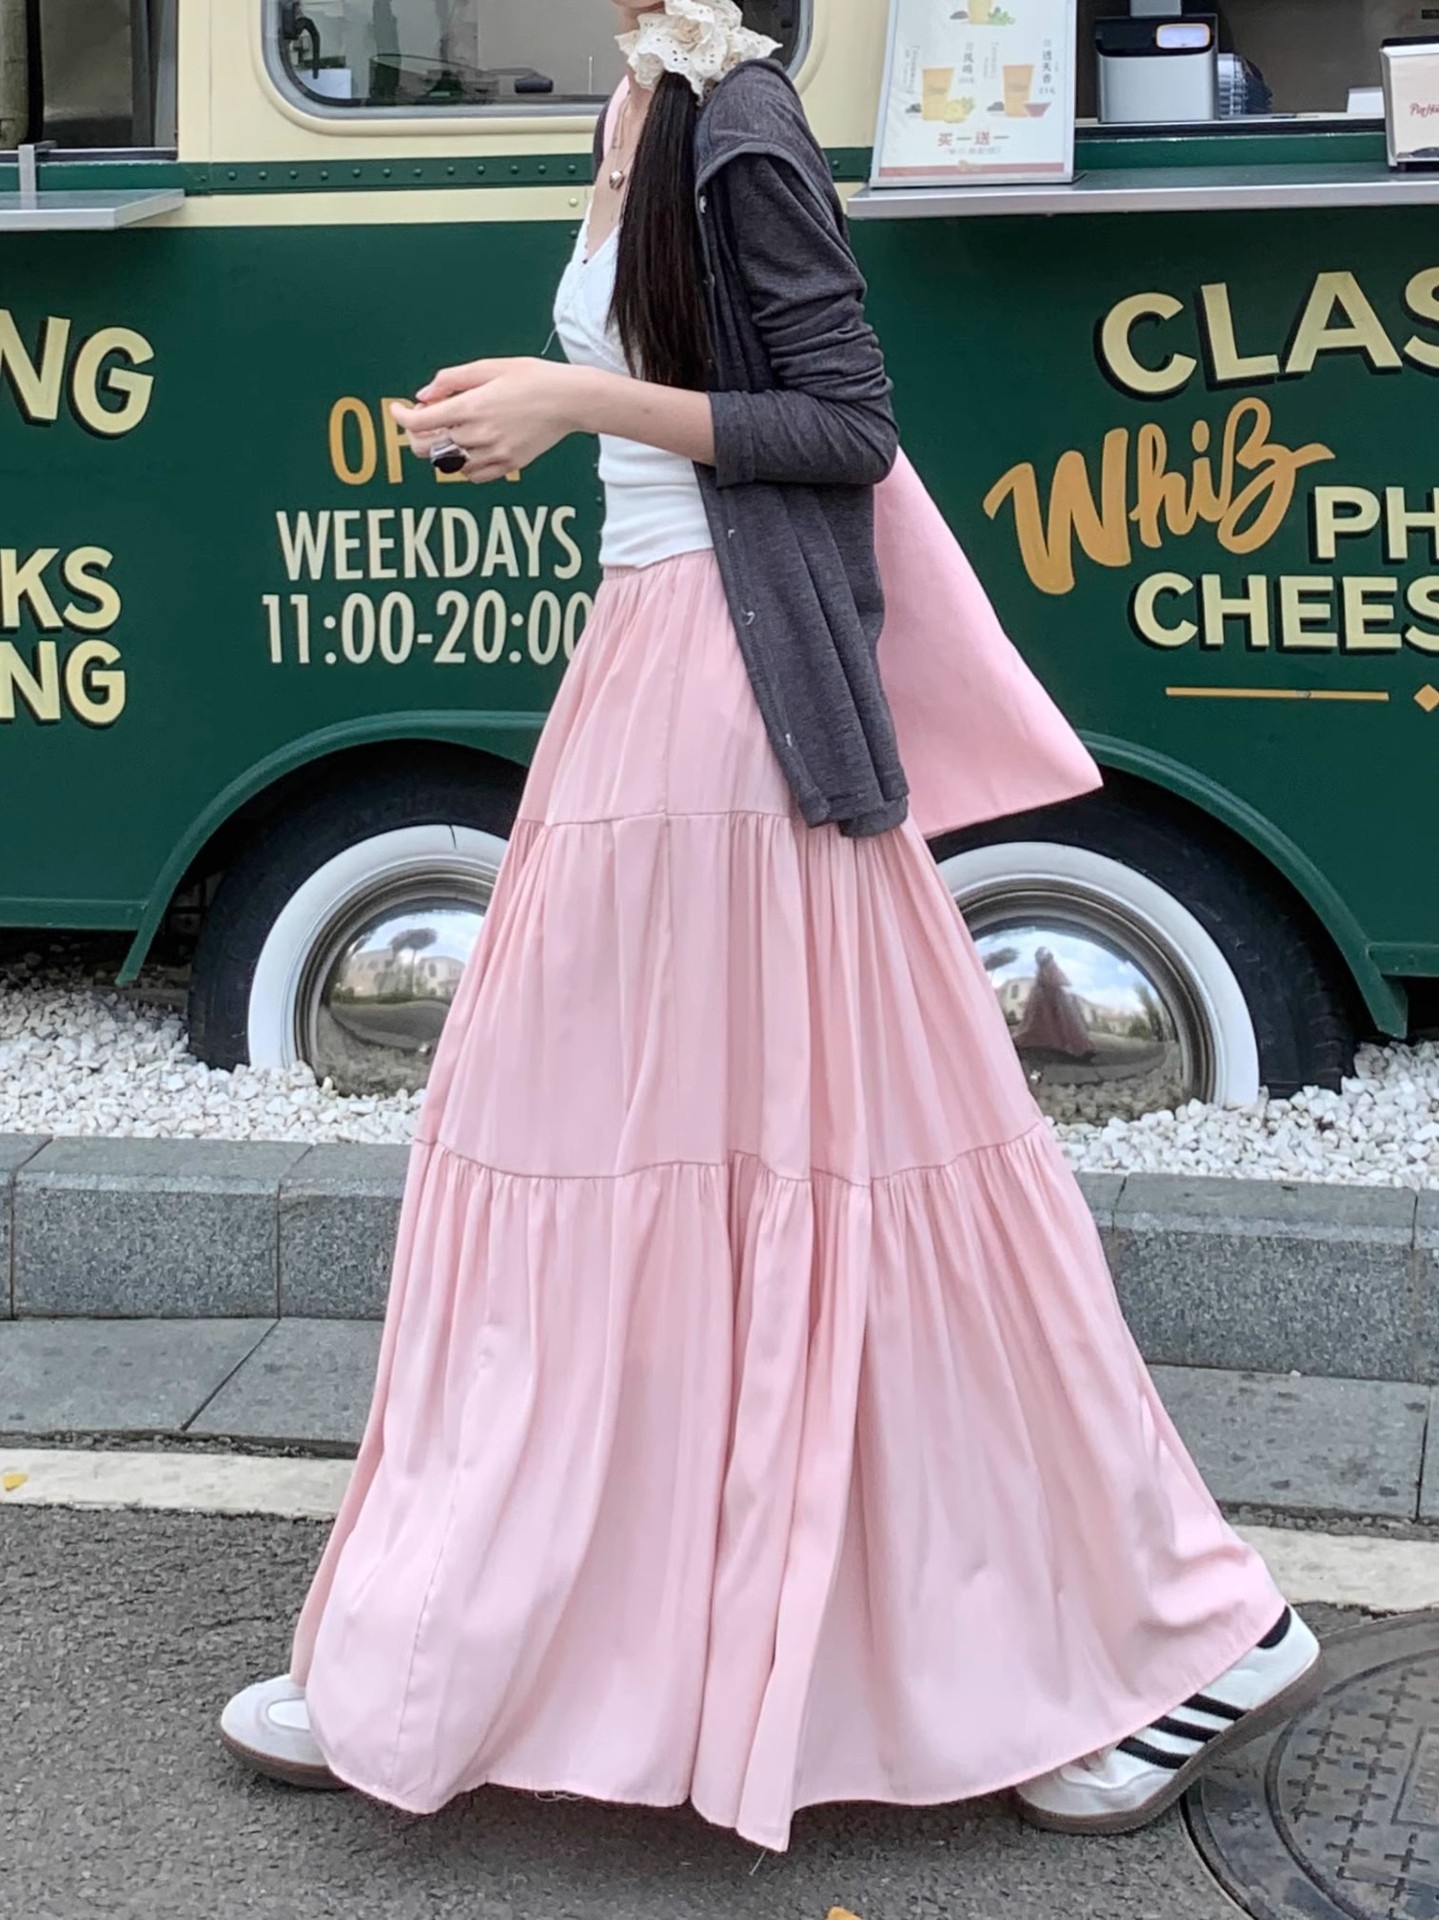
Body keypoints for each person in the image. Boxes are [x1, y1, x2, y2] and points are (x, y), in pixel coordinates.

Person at [220, 0, 1322, 1848]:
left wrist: (575, 398)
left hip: (728, 710)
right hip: (650, 681)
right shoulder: (647, 98)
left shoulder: (734, 108)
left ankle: (1195, 1628)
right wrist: (537, 424)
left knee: (745, 1162)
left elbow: (845, 425)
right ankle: (459, 1652)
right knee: (637, 1157)